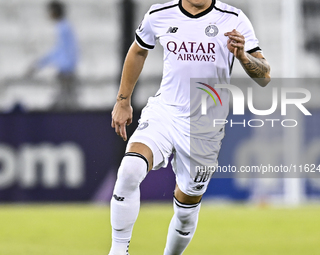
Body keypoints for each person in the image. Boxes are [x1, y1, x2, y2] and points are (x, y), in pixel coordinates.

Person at [109, 0, 271, 254]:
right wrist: (123, 100)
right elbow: (138, 51)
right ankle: (118, 251)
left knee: (185, 210)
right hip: (166, 111)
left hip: (204, 127)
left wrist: (242, 56)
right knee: (130, 169)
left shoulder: (234, 18)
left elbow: (264, 76)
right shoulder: (159, 14)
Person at [26, 1, 79, 111]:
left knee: (66, 102)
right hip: (67, 69)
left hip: (66, 70)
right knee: (66, 99)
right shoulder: (65, 26)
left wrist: (40, 64)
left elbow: (60, 51)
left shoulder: (63, 28)